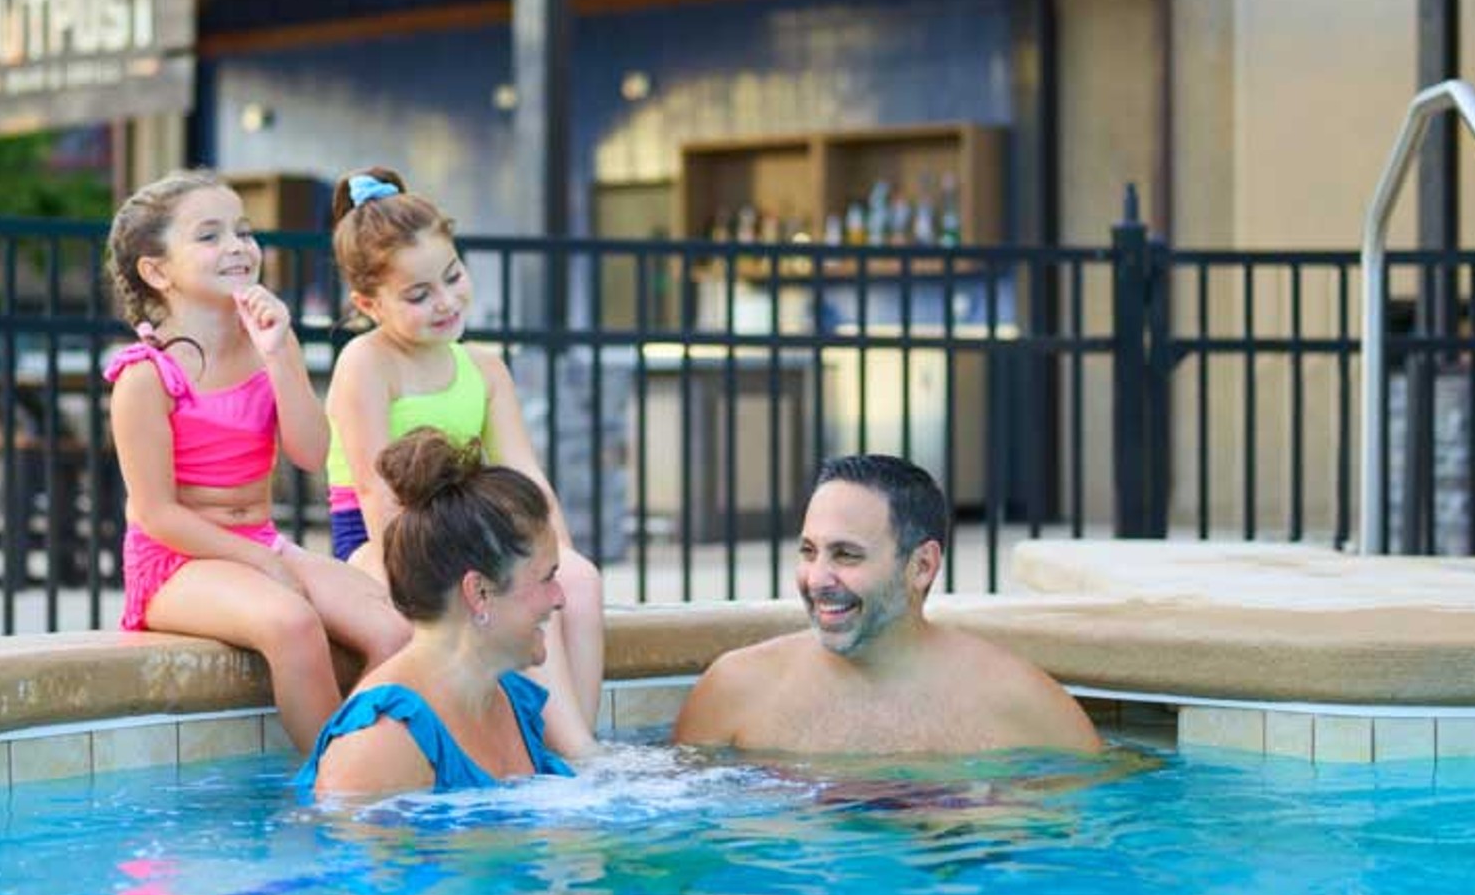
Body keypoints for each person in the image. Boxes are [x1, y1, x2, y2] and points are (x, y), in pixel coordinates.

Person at [105, 169, 409, 753]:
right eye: (210, 236)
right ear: (157, 272)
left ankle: (369, 758)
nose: (237, 246)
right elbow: (155, 514)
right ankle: (332, 783)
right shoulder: (145, 377)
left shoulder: (270, 341)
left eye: (243, 232)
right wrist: (263, 564)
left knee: (394, 629)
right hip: (175, 565)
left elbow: (311, 453)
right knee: (292, 623)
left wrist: (279, 356)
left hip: (260, 543)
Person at [322, 167, 603, 757]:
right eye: (419, 295)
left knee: (579, 580)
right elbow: (376, 493)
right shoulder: (366, 363)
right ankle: (573, 756)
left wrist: (554, 559)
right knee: (491, 592)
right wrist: (427, 574)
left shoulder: (483, 367)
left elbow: (526, 476)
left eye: (453, 276)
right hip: (384, 542)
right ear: (369, 303)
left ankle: (571, 742)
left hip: (472, 535)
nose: (446, 301)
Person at [674, 454, 1101, 755]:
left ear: (922, 566)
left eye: (846, 555)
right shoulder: (736, 688)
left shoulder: (1022, 705)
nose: (817, 579)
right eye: (808, 551)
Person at [297, 428, 576, 798]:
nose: (560, 598)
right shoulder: (380, 746)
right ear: (479, 592)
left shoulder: (509, 699)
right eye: (547, 578)